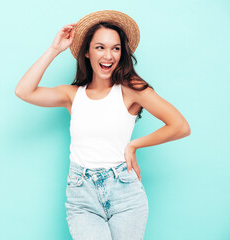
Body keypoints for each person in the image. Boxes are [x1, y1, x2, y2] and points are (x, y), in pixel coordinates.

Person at [15, 9, 191, 240]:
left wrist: (134, 145)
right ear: (87, 52)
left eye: (115, 48)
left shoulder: (131, 89)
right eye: (100, 47)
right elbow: (23, 91)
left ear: (122, 53)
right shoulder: (72, 95)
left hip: (125, 193)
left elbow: (180, 126)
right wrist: (54, 49)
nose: (108, 55)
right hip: (81, 194)